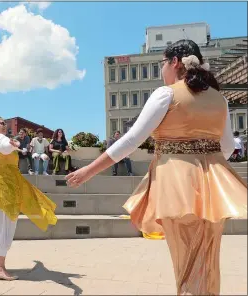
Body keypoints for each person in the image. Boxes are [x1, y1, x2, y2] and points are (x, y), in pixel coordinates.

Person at [66, 40, 247, 295]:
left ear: (174, 62)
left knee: (185, 263)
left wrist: (89, 170)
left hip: (176, 184)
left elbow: (131, 140)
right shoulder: (220, 99)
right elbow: (227, 146)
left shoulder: (167, 94)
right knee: (207, 262)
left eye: (163, 63)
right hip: (213, 185)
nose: (162, 70)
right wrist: (205, 160)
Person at [0, 116, 57, 281]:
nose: (5, 125)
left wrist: (14, 145)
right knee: (6, 223)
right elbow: (4, 145)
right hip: (2, 185)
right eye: (2, 123)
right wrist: (13, 144)